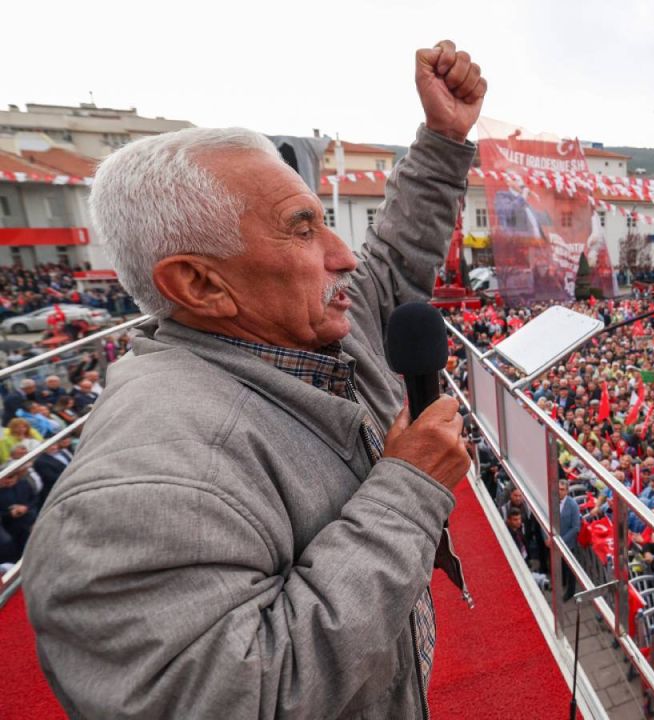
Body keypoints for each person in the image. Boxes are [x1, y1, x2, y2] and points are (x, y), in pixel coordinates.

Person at [23, 41, 484, 718]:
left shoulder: (309, 321)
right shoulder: (142, 488)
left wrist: (444, 139)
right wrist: (408, 492)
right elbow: (240, 698)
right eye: (302, 231)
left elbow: (390, 262)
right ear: (199, 282)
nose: (343, 254)